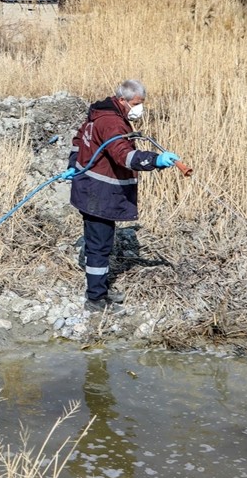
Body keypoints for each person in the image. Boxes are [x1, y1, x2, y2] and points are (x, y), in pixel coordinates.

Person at [68, 79, 178, 311]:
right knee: (98, 246)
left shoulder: (100, 115)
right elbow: (124, 156)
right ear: (121, 100)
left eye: (142, 103)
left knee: (103, 243)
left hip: (92, 190)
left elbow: (79, 141)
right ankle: (95, 299)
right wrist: (154, 160)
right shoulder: (111, 123)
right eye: (137, 103)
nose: (140, 108)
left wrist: (73, 164)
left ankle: (101, 289)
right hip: (97, 193)